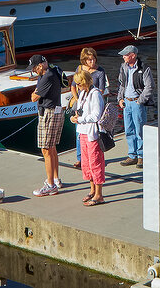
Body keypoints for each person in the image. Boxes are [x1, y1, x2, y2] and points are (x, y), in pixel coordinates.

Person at [29, 54, 64, 196]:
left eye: (34, 68)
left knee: (46, 150)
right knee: (52, 147)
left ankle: (50, 185)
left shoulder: (47, 76)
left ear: (40, 65)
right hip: (56, 112)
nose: (34, 71)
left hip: (48, 114)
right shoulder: (54, 71)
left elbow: (33, 98)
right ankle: (55, 179)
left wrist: (35, 93)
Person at [71, 69, 106, 206]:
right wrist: (75, 118)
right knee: (86, 164)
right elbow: (79, 111)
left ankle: (99, 195)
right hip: (83, 132)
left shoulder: (95, 94)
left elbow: (96, 115)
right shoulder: (83, 93)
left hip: (92, 133)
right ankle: (92, 190)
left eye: (79, 84)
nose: (78, 87)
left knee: (95, 163)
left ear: (85, 82)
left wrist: (80, 119)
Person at [72, 47, 109, 171]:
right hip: (80, 102)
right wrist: (78, 100)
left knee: (92, 135)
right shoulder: (79, 69)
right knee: (79, 133)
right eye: (89, 60)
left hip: (92, 102)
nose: (92, 62)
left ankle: (95, 158)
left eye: (93, 59)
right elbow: (73, 87)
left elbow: (102, 89)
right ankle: (80, 158)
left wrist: (91, 97)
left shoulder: (100, 71)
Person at [117, 45, 153, 169]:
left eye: (125, 55)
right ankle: (132, 155)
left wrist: (140, 101)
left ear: (133, 56)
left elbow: (149, 86)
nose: (123, 57)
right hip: (126, 102)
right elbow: (122, 84)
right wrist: (120, 99)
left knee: (139, 130)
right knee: (129, 130)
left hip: (137, 103)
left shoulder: (144, 68)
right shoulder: (123, 67)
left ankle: (141, 156)